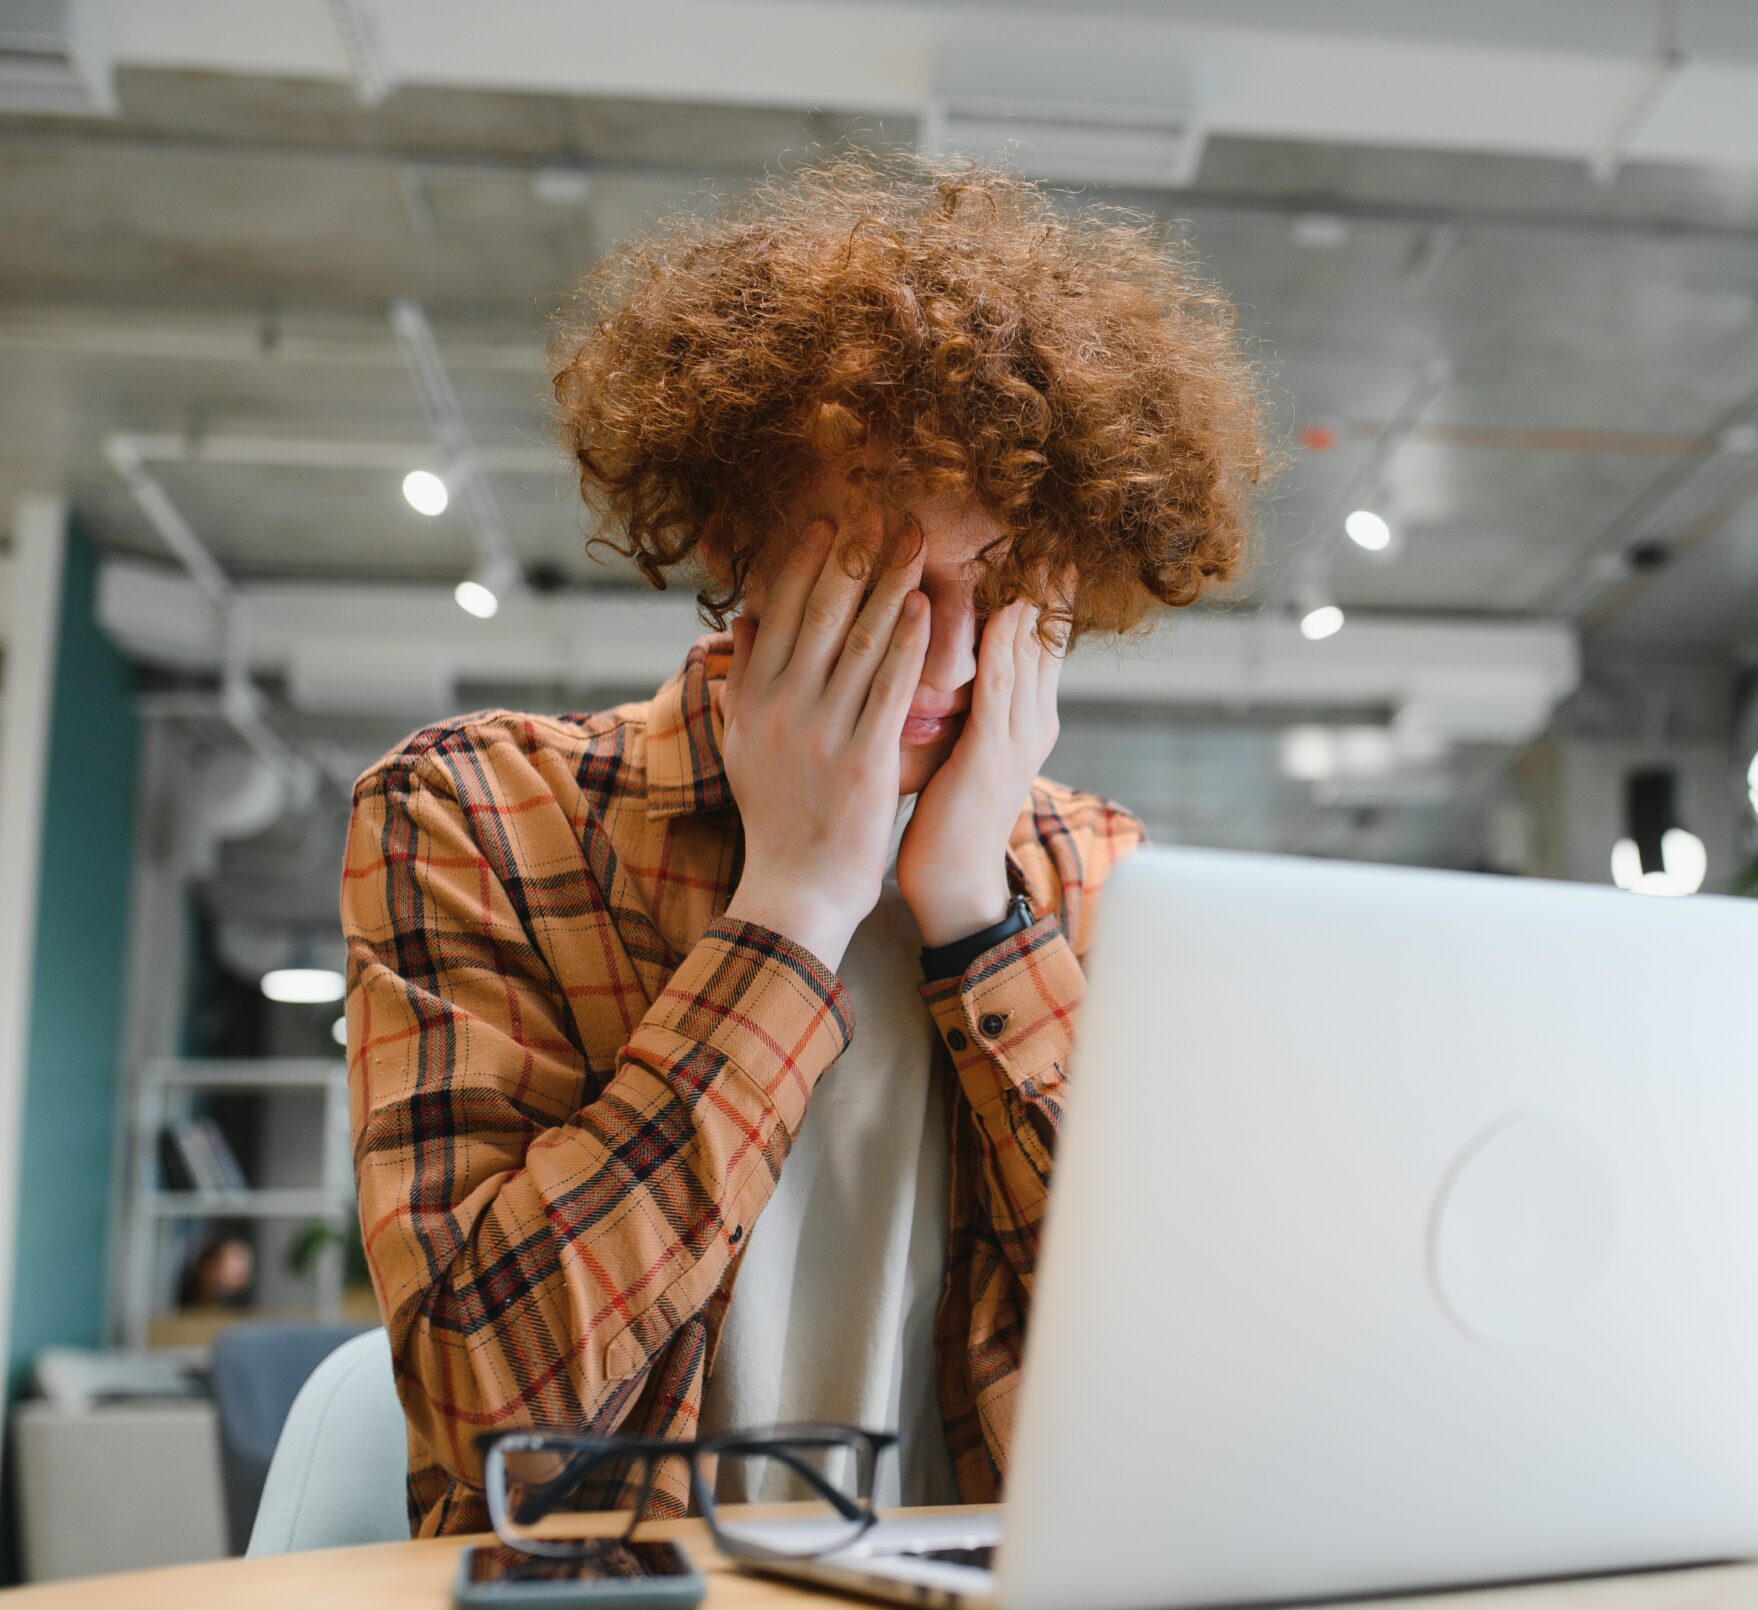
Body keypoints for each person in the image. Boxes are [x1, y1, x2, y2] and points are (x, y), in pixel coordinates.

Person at [340, 154, 1267, 1536]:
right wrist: (793, 908)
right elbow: (493, 1409)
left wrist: (974, 913)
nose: (950, 653)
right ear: (737, 536)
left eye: (1002, 587)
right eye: (894, 579)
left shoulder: (1093, 874)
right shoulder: (479, 811)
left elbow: (1196, 1379)